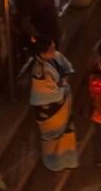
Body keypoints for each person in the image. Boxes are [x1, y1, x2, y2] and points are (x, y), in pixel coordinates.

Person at [28, 37, 78, 171]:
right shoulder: (38, 71)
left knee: (66, 132)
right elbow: (44, 93)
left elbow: (67, 68)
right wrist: (63, 88)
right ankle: (53, 162)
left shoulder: (56, 56)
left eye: (54, 47)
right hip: (50, 108)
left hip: (63, 103)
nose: (54, 51)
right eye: (51, 49)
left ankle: (67, 160)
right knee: (52, 136)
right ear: (42, 52)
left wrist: (64, 83)